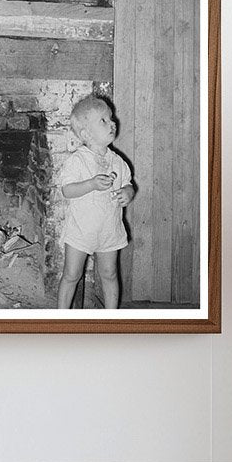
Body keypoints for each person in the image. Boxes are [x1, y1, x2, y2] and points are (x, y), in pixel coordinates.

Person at [57, 95, 135, 309]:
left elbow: (128, 184)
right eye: (103, 120)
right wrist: (90, 184)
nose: (112, 123)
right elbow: (67, 190)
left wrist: (128, 193)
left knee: (109, 274)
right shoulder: (78, 160)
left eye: (111, 118)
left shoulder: (117, 161)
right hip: (81, 232)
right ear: (85, 133)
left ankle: (111, 320)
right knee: (71, 275)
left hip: (109, 230)